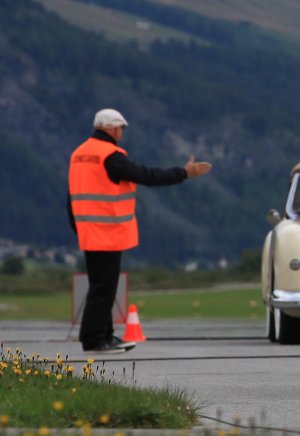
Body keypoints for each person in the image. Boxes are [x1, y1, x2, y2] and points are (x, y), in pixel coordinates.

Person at [67, 108, 213, 353]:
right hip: (107, 230)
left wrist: (78, 227)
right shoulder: (110, 156)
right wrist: (184, 173)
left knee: (101, 285)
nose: (122, 133)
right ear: (114, 129)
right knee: (104, 288)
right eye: (122, 128)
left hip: (89, 229)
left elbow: (71, 195)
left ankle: (104, 335)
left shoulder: (79, 154)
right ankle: (94, 339)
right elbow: (146, 176)